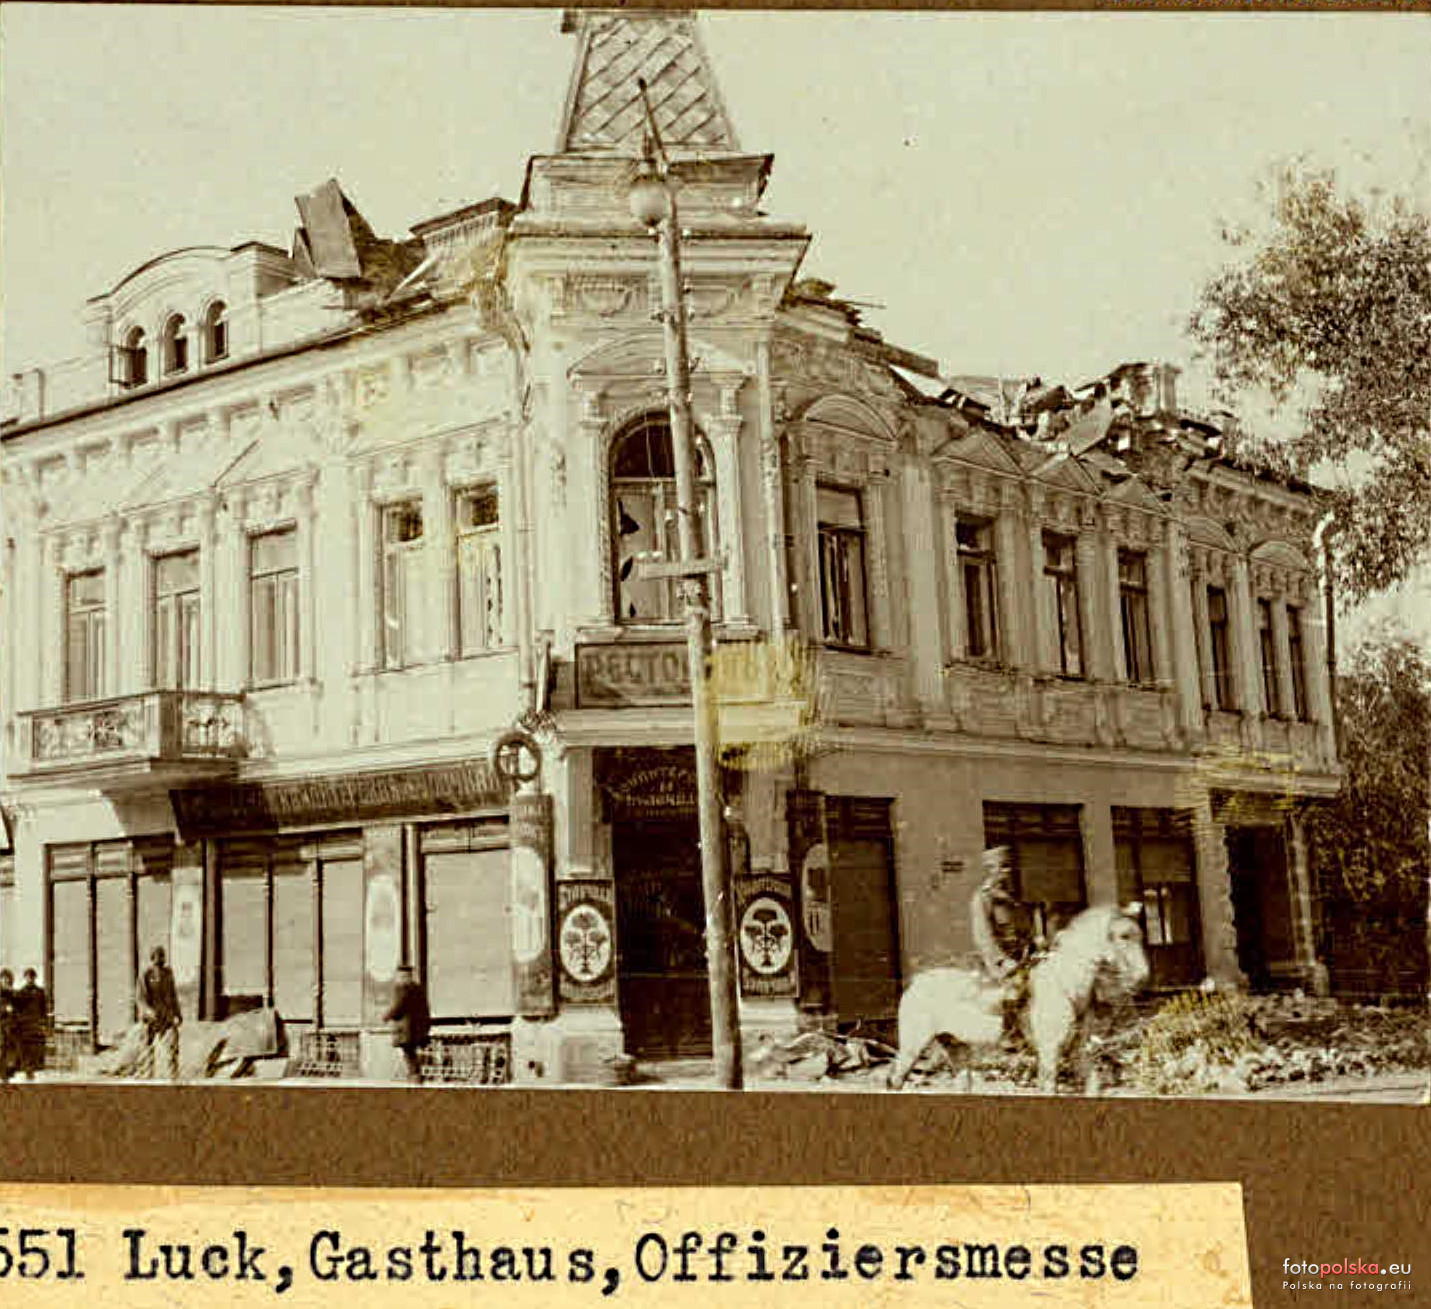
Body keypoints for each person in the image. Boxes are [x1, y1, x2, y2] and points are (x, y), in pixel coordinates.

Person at [969, 847, 1034, 1041]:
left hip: (1020, 959)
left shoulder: (1010, 897)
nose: (1008, 871)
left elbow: (1023, 930)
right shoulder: (983, 898)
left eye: (1009, 866)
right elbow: (983, 938)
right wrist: (1002, 961)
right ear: (991, 869)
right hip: (996, 964)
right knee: (1015, 991)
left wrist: (1035, 946)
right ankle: (1011, 1037)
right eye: (1003, 867)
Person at [136, 946, 182, 1080]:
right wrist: (148, 1011)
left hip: (166, 1017)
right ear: (152, 957)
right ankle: (147, 1076)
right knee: (147, 1048)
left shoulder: (168, 973)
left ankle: (173, 1076)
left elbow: (173, 995)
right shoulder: (146, 974)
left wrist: (178, 1013)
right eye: (158, 955)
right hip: (150, 1018)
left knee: (172, 1045)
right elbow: (140, 997)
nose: (161, 958)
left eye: (162, 955)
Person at [384, 964, 431, 1084]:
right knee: (410, 1052)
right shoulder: (418, 988)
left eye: (401, 975)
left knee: (409, 1052)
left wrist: (386, 1016)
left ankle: (415, 1075)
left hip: (406, 1028)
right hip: (417, 1028)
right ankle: (415, 1075)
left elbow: (399, 1006)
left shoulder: (403, 988)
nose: (399, 978)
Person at [14, 968, 48, 1081]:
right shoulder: (21, 992)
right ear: (25, 978)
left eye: (32, 977)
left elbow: (44, 1008)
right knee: (26, 1047)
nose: (30, 979)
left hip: (36, 1023)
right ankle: (28, 1069)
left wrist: (44, 1022)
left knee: (35, 1047)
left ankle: (33, 1068)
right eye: (28, 977)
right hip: (25, 1024)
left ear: (35, 978)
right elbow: (18, 1009)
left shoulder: (40, 992)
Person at [0, 969, 15, 1082]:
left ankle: (5, 1075)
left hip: (9, 1027)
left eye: (8, 979)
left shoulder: (11, 993)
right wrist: (5, 1009)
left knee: (7, 1050)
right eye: (4, 978)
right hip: (1, 1026)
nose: (6, 981)